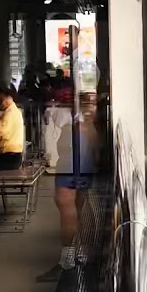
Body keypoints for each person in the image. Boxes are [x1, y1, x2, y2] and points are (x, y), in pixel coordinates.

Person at [37, 91, 100, 282]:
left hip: (72, 161)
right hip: (85, 161)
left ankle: (67, 261)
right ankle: (78, 253)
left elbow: (62, 143)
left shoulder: (71, 122)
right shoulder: (90, 124)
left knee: (67, 209)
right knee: (77, 209)